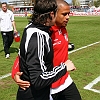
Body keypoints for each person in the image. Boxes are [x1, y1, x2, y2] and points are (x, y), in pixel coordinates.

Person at [12, 0, 76, 100]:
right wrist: (15, 73)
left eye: (69, 13)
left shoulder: (63, 28)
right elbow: (24, 54)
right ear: (54, 13)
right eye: (64, 14)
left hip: (64, 80)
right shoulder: (44, 32)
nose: (68, 17)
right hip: (49, 84)